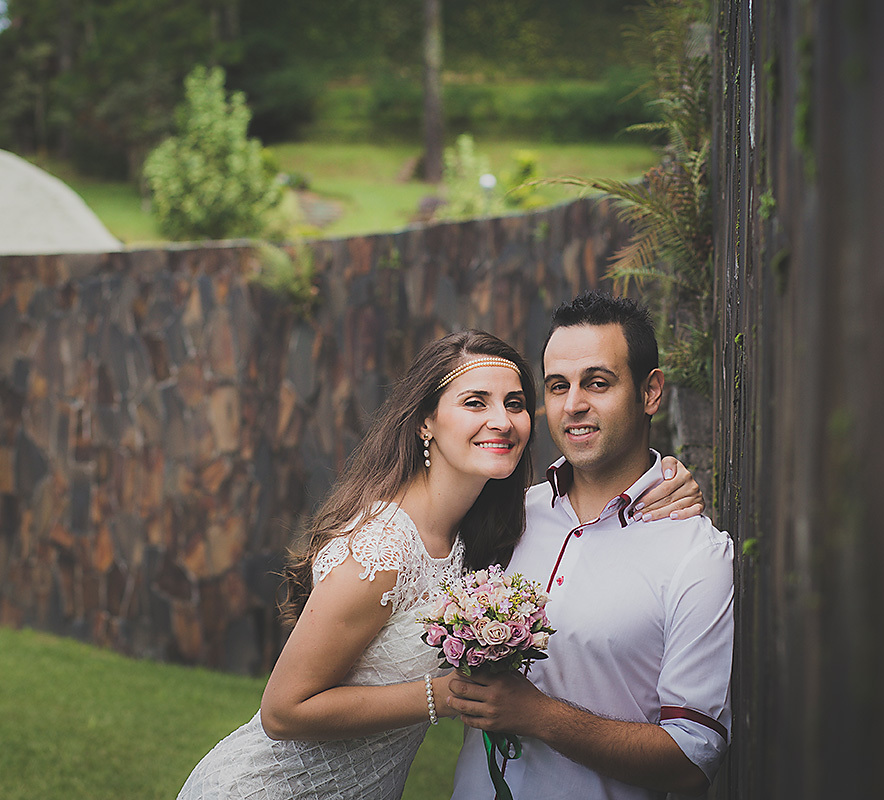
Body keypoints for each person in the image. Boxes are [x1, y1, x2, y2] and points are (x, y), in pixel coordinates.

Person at [177, 329, 700, 799]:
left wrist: (668, 476)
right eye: (476, 402)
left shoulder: (483, 538)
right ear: (426, 422)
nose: (501, 420)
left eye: (515, 403)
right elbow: (282, 711)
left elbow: (603, 496)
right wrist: (438, 696)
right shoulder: (381, 549)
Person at [447, 293, 735, 799]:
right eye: (558, 386)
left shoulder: (695, 555)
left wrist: (538, 715)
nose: (574, 404)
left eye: (597, 383)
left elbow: (693, 758)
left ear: (650, 393)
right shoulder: (504, 516)